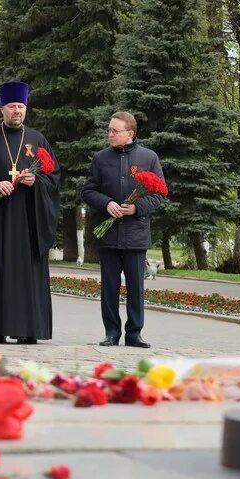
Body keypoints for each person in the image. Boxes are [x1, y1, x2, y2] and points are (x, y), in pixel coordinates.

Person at [0, 81, 61, 344]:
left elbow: (53, 178)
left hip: (29, 223)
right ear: (2, 109)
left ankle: (28, 330)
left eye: (21, 106)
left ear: (26, 108)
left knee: (28, 276)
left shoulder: (37, 139)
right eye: (11, 107)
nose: (17, 111)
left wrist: (36, 182)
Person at [82, 112, 165, 348]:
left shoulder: (148, 158)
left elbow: (160, 195)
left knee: (136, 288)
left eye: (114, 131)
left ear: (130, 133)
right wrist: (106, 203)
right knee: (109, 287)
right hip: (108, 235)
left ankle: (134, 334)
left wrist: (136, 208)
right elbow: (88, 191)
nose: (110, 134)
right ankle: (111, 332)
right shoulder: (100, 158)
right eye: (109, 130)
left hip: (136, 235)